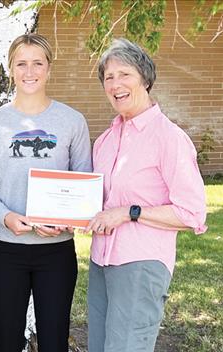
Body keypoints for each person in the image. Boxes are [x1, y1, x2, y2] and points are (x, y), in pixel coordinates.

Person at [85, 38, 207, 352]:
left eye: (124, 74)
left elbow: (191, 213)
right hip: (101, 261)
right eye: (108, 78)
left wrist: (130, 212)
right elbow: (97, 204)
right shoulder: (106, 141)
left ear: (145, 78)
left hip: (141, 263)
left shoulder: (169, 138)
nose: (115, 84)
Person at [0, 33, 92, 352]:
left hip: (56, 252)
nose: (30, 71)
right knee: (6, 341)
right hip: (7, 250)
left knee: (55, 341)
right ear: (10, 69)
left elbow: (83, 184)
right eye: (21, 63)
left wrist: (68, 221)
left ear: (49, 68)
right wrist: (7, 217)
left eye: (38, 63)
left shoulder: (72, 121)